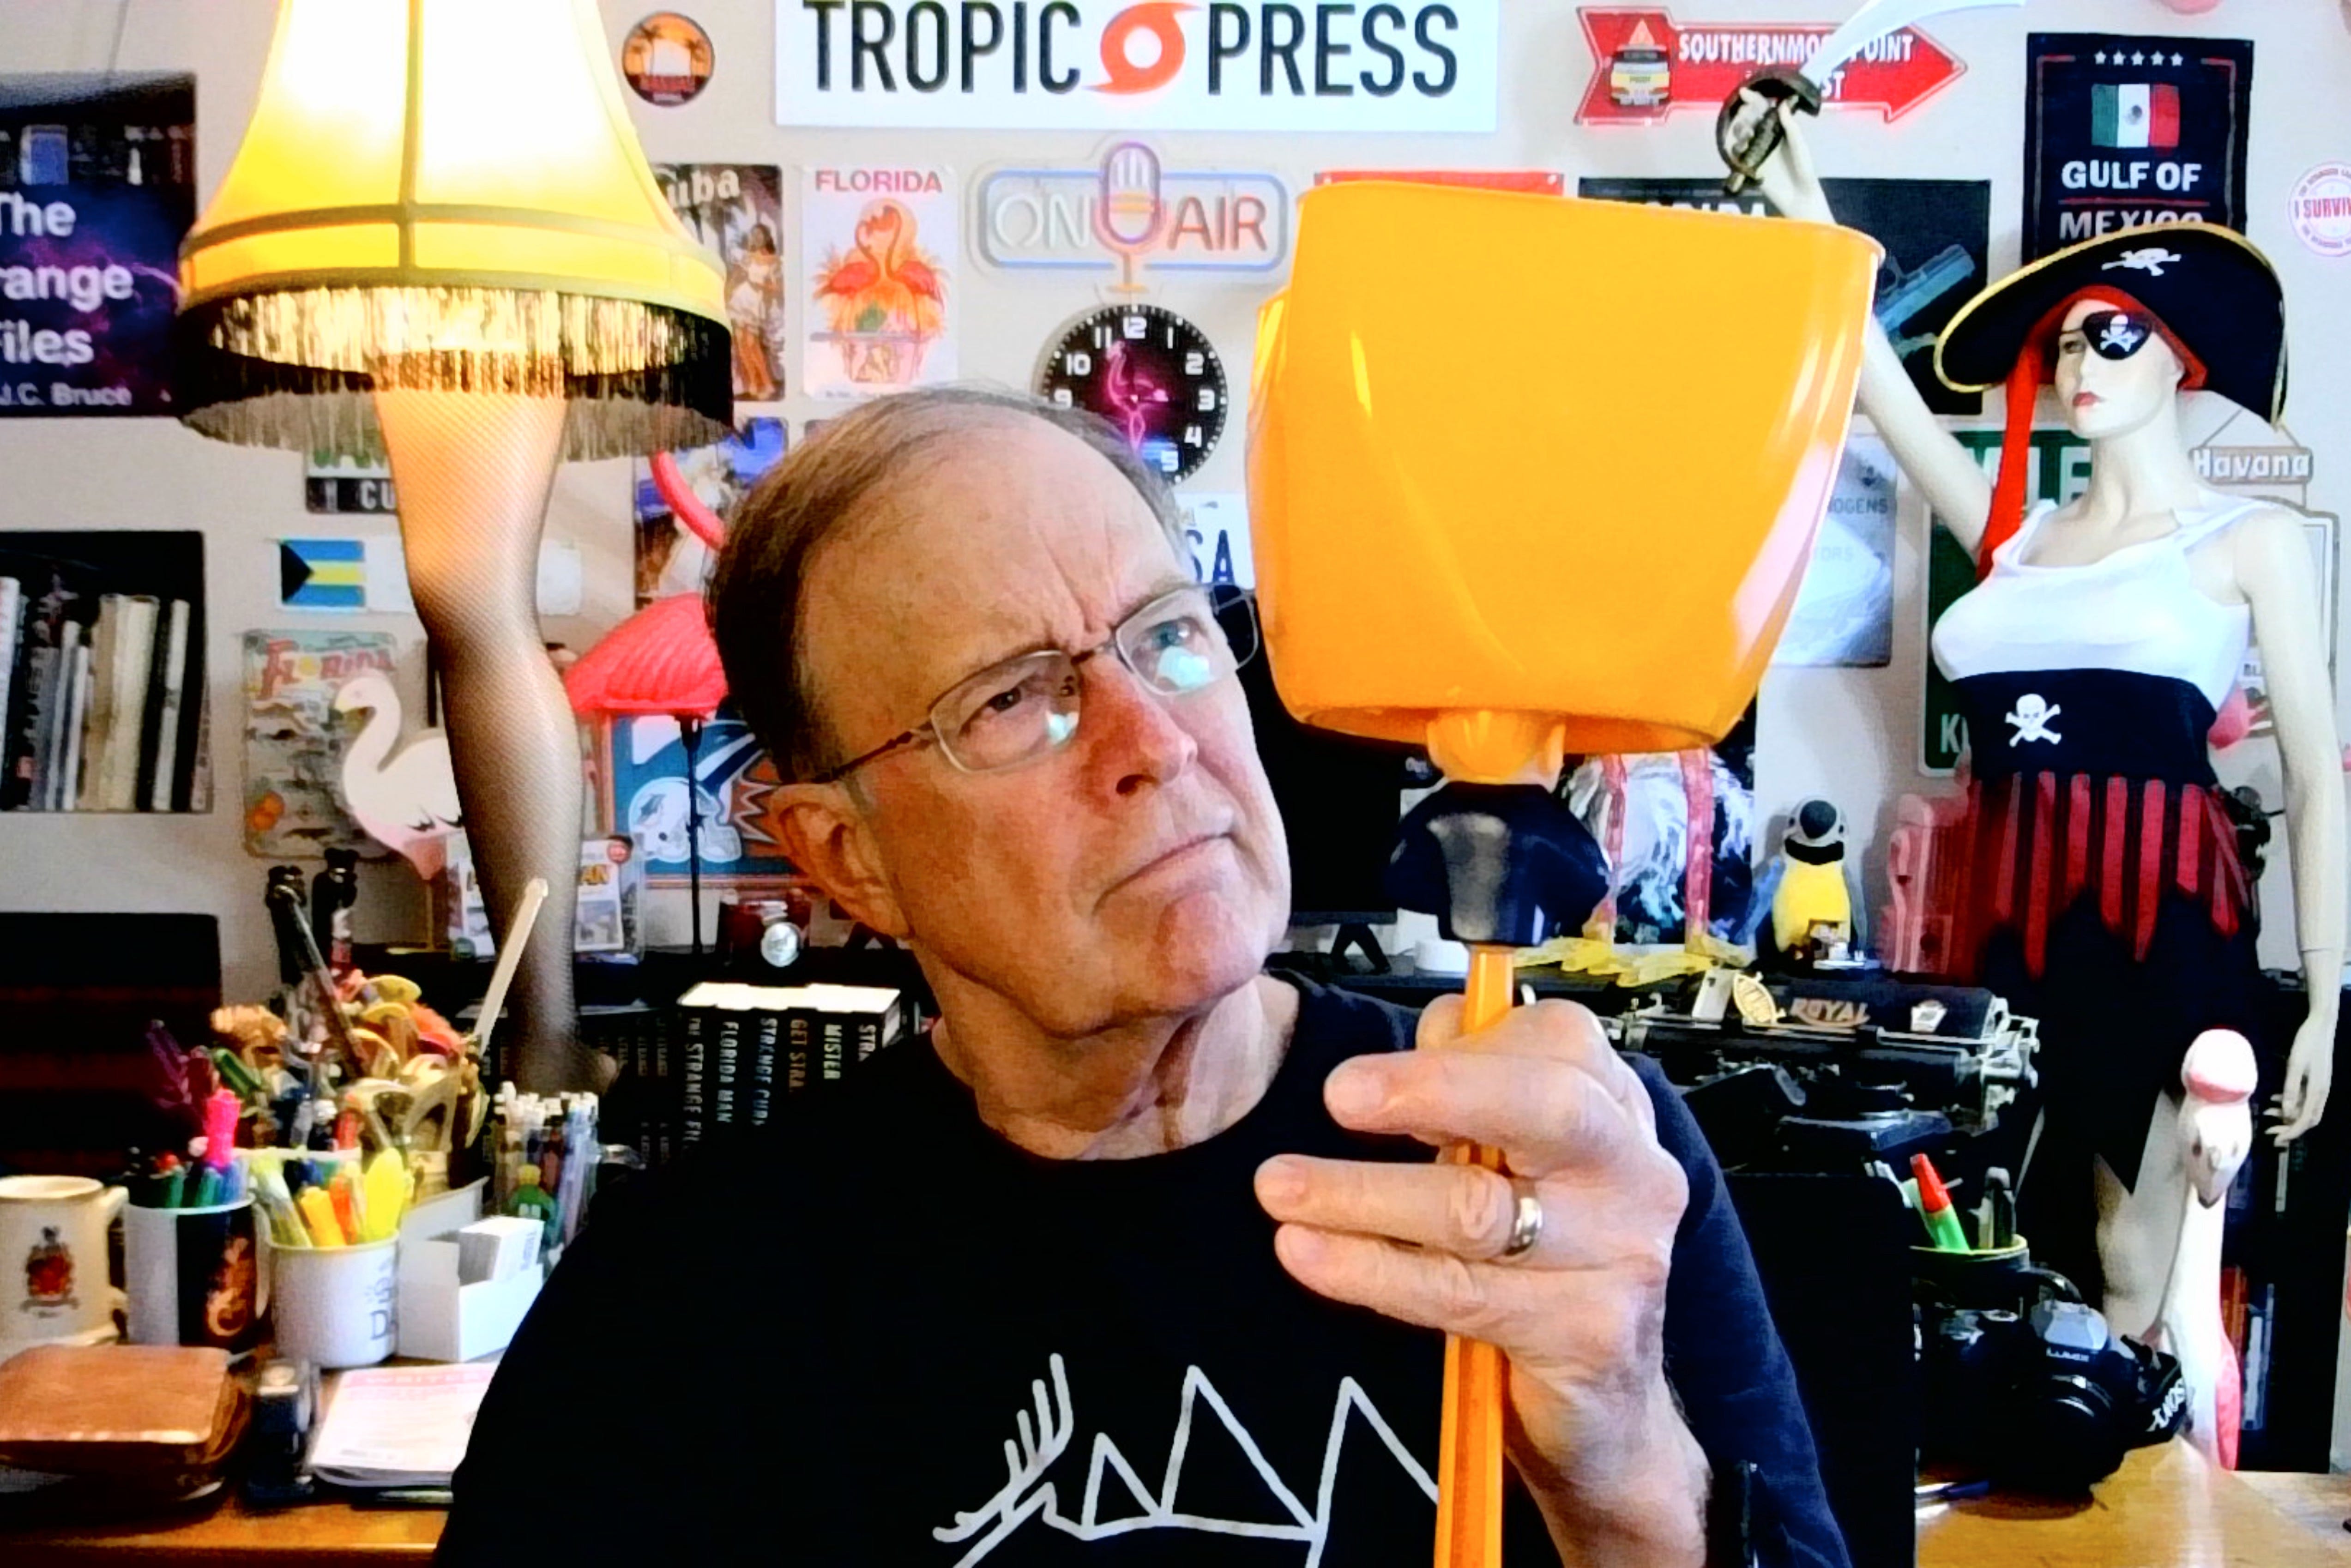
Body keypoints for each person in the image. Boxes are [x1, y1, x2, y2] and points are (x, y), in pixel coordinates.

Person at [441, 388, 1848, 1567]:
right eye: (1010, 697)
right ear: (847, 858)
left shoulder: (1556, 1166)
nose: (1155, 741)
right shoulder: (692, 1296)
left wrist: (1622, 1470)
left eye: (1168, 637)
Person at [1742, 106, 2342, 1313]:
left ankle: (2163, 1442)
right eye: (2065, 342)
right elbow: (1881, 384)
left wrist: (2327, 995)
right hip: (2006, 936)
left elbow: (2318, 772)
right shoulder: (2013, 539)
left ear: (2181, 357)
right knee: (2003, 1248)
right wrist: (1799, 200)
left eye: (2113, 335)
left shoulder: (2249, 539)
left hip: (2162, 930)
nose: (2080, 365)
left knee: (2137, 1263)